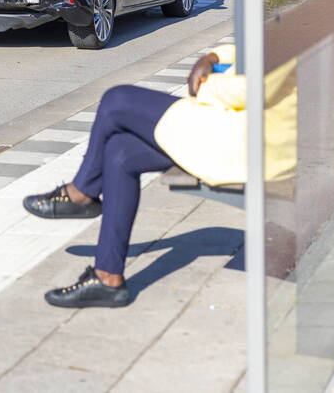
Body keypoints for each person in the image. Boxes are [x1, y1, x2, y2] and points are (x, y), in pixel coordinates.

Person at [23, 44, 246, 309]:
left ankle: (81, 193)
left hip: (237, 139)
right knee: (120, 153)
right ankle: (108, 278)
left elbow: (261, 87)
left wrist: (210, 82)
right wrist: (213, 57)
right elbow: (255, 48)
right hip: (226, 127)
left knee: (117, 100)